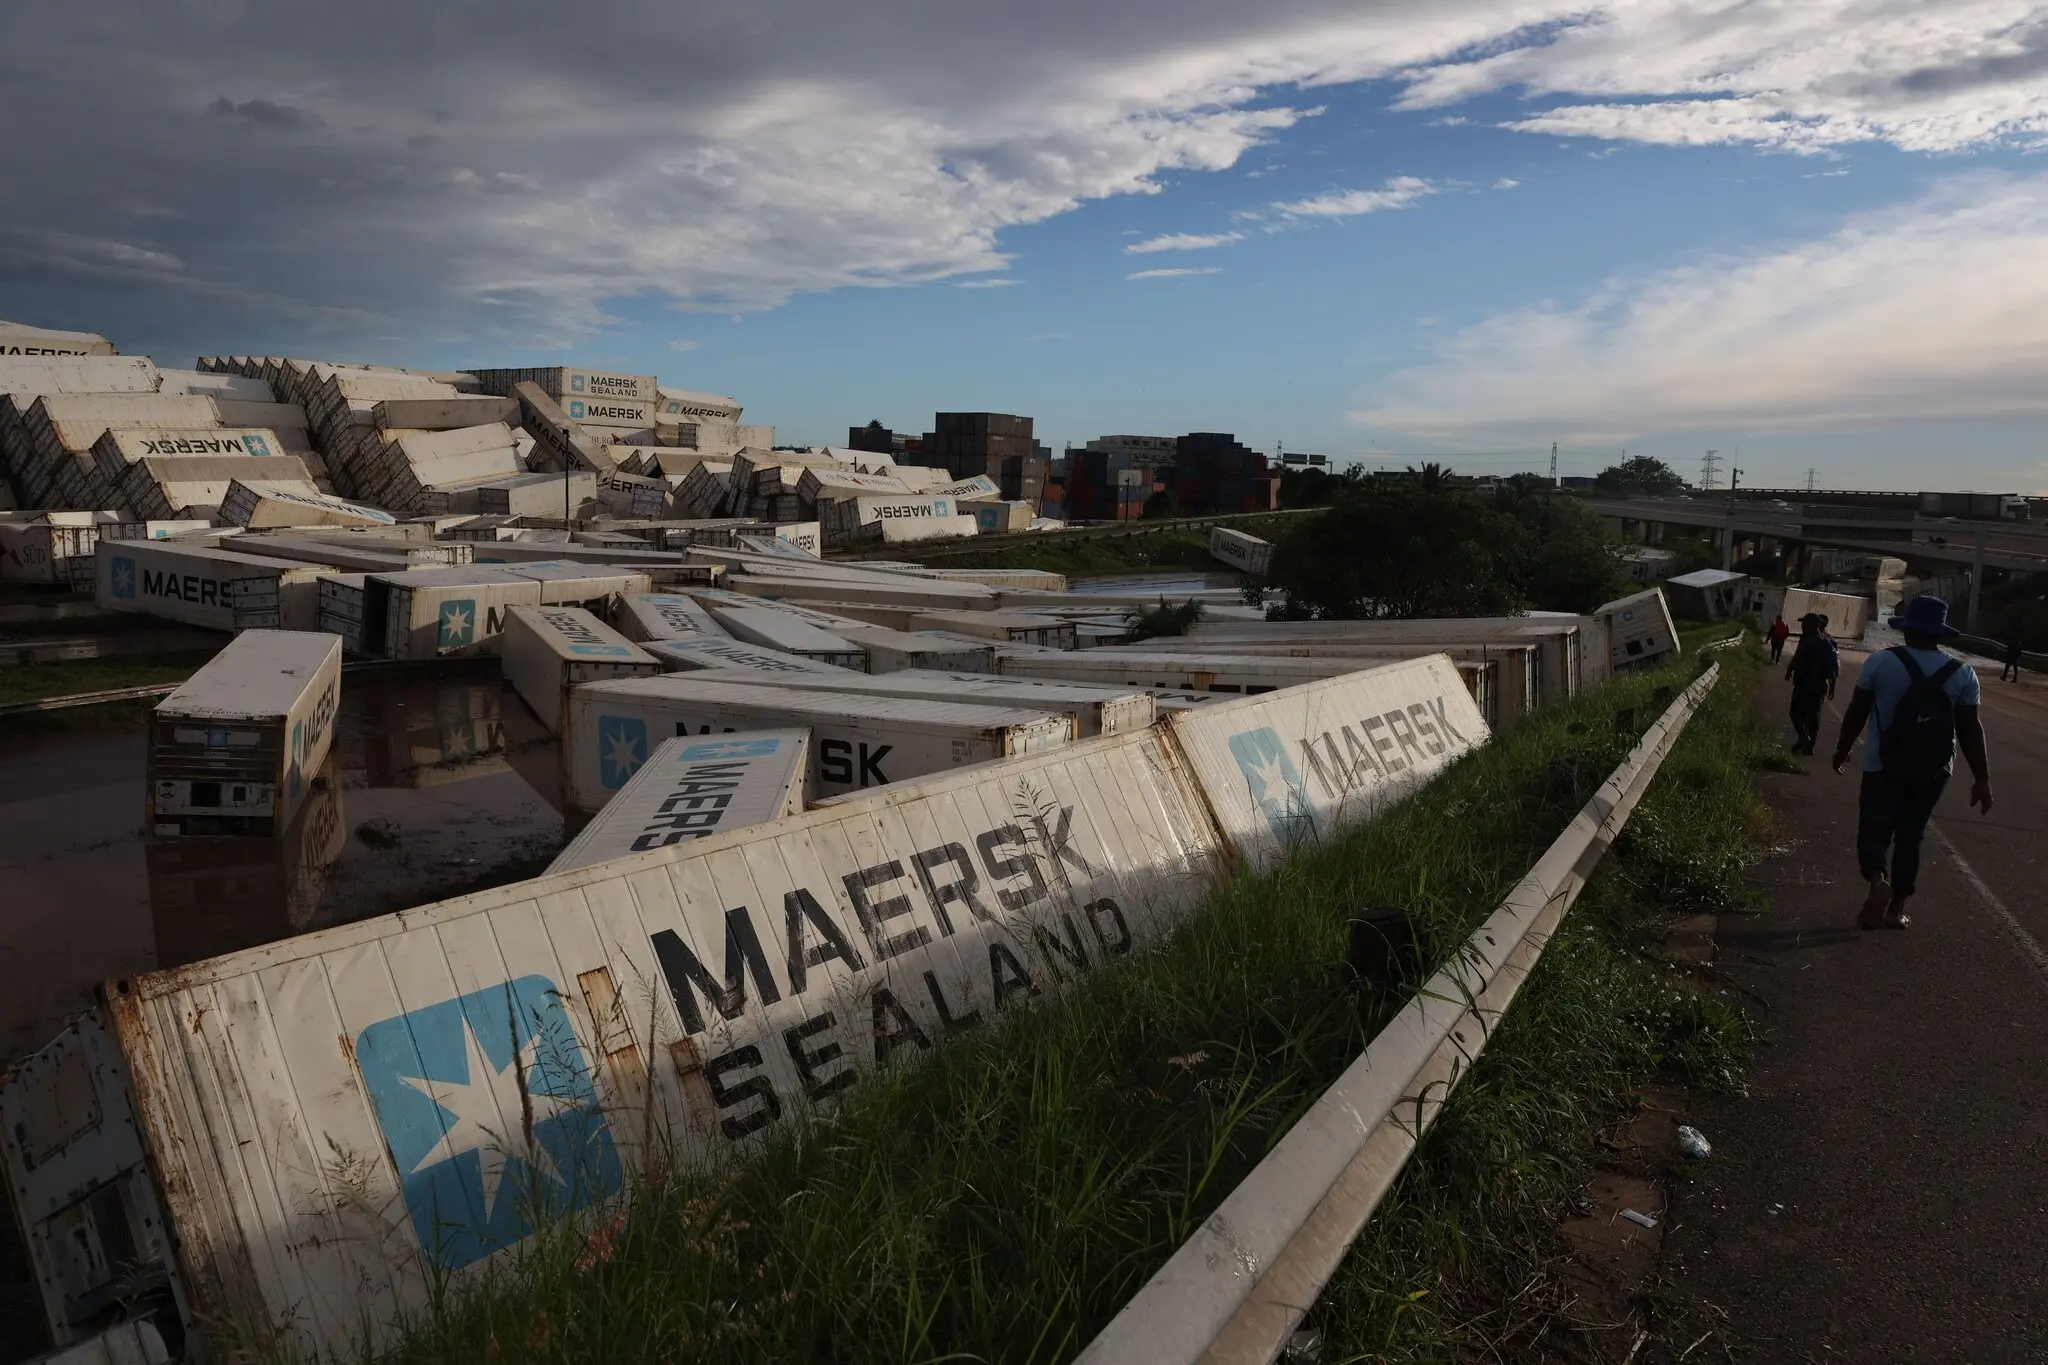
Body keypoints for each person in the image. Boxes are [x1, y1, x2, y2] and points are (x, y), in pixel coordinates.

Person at [1830, 595, 1993, 930]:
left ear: (1907, 630)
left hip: (1882, 763)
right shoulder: (1963, 673)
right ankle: (1896, 909)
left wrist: (1843, 748)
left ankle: (1877, 879)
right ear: (1940, 633)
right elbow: (1970, 731)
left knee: (1874, 828)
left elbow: (1857, 712)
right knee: (1911, 835)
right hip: (1934, 769)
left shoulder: (1880, 662)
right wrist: (1982, 779)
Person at [1785, 613, 1837, 755]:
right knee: (1814, 714)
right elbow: (1834, 665)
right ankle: (1810, 746)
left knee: (1795, 713)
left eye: (1803, 623)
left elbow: (1799, 660)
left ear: (1808, 625)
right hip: (1822, 685)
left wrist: (1792, 672)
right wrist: (1832, 685)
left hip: (1806, 683)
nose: (1801, 626)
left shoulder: (1807, 641)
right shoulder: (1828, 641)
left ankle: (1804, 738)